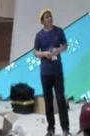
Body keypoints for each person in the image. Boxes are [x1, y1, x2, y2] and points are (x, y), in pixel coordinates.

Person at [34, 8, 70, 136]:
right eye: (47, 17)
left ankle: (65, 128)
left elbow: (65, 46)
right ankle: (50, 129)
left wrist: (57, 51)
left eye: (50, 16)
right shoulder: (39, 35)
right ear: (42, 21)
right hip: (45, 72)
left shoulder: (59, 31)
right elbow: (35, 52)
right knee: (48, 101)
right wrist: (44, 54)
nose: (50, 18)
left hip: (57, 71)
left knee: (60, 100)